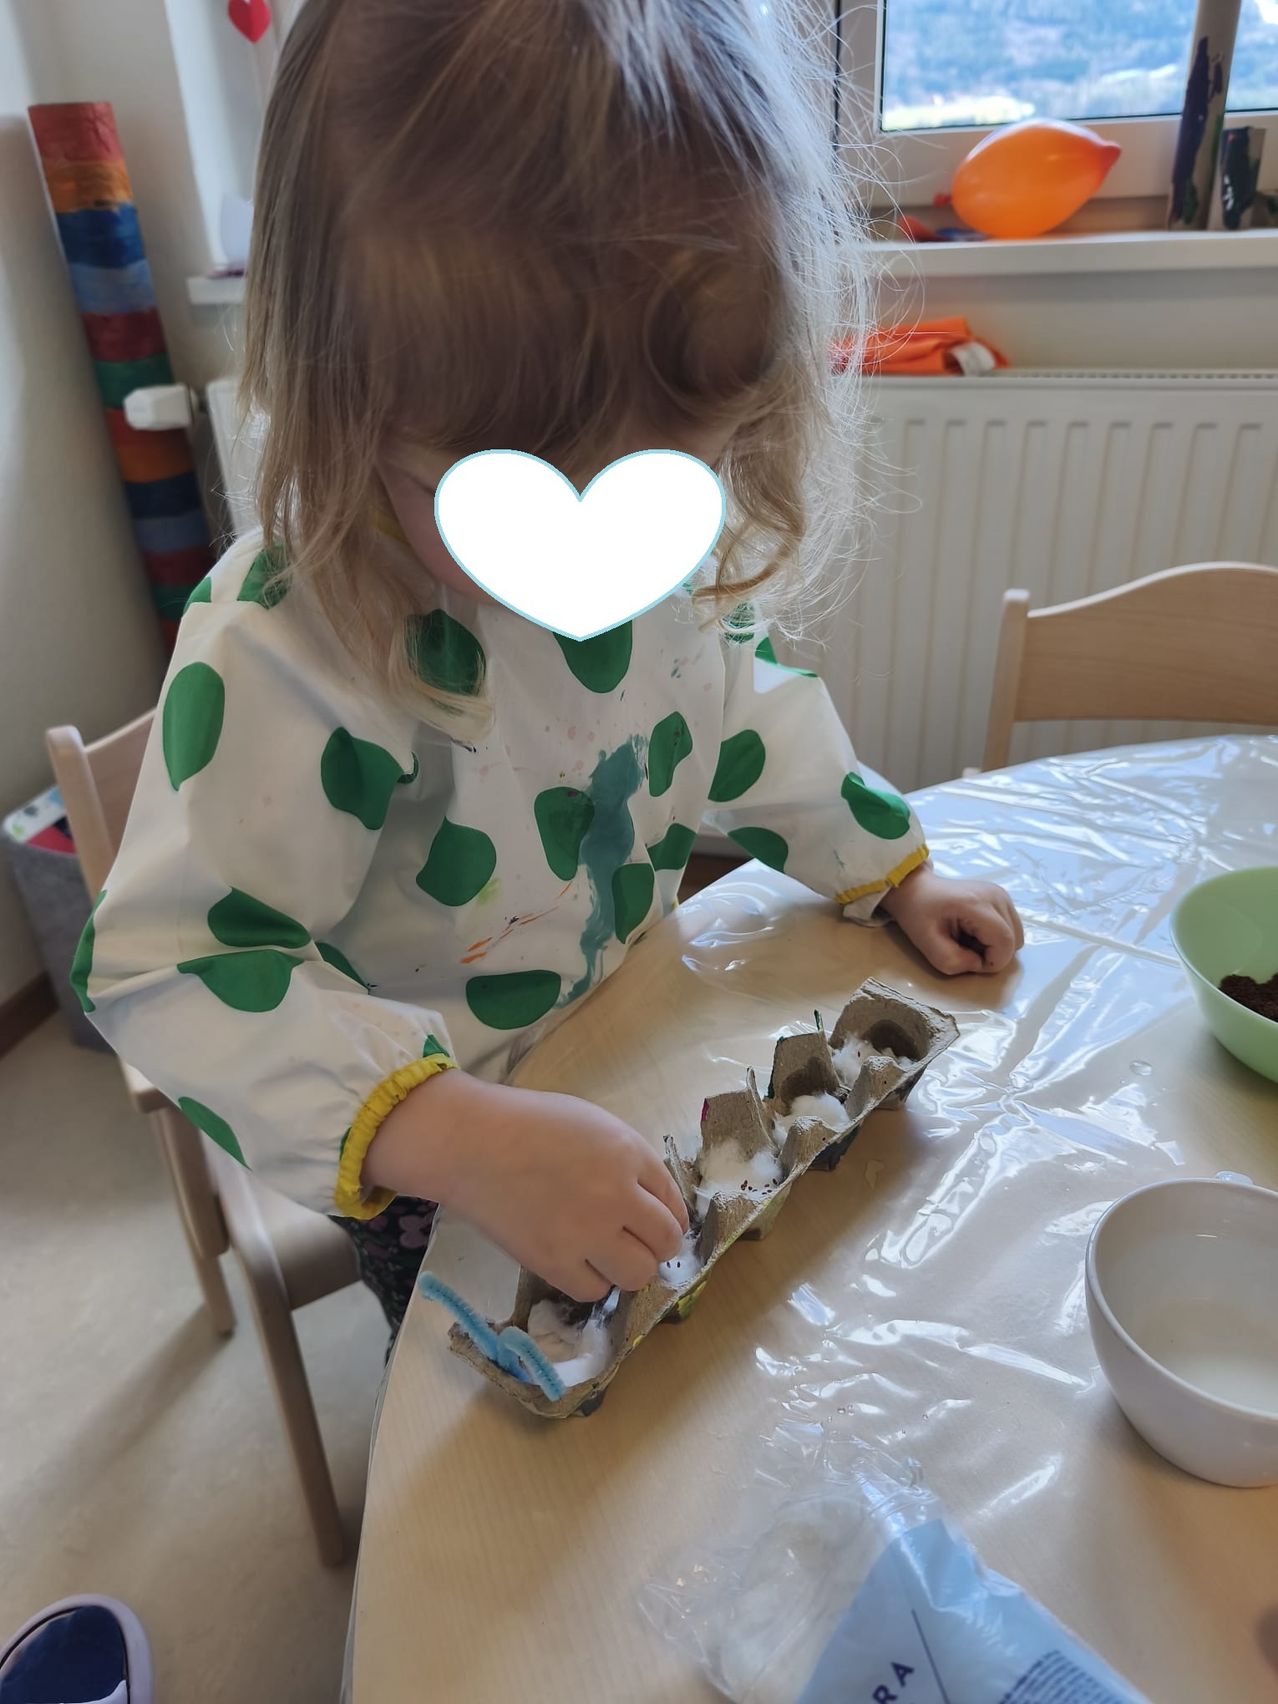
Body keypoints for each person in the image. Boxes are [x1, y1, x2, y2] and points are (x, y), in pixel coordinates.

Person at [76, 0, 1022, 1337]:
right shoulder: (292, 644)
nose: (587, 564)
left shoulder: (652, 565)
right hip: (423, 1137)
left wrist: (892, 866)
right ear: (342, 398)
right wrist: (459, 1136)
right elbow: (169, 970)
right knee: (506, 1417)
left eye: (656, 481)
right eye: (498, 497)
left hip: (622, 1026)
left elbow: (744, 714)